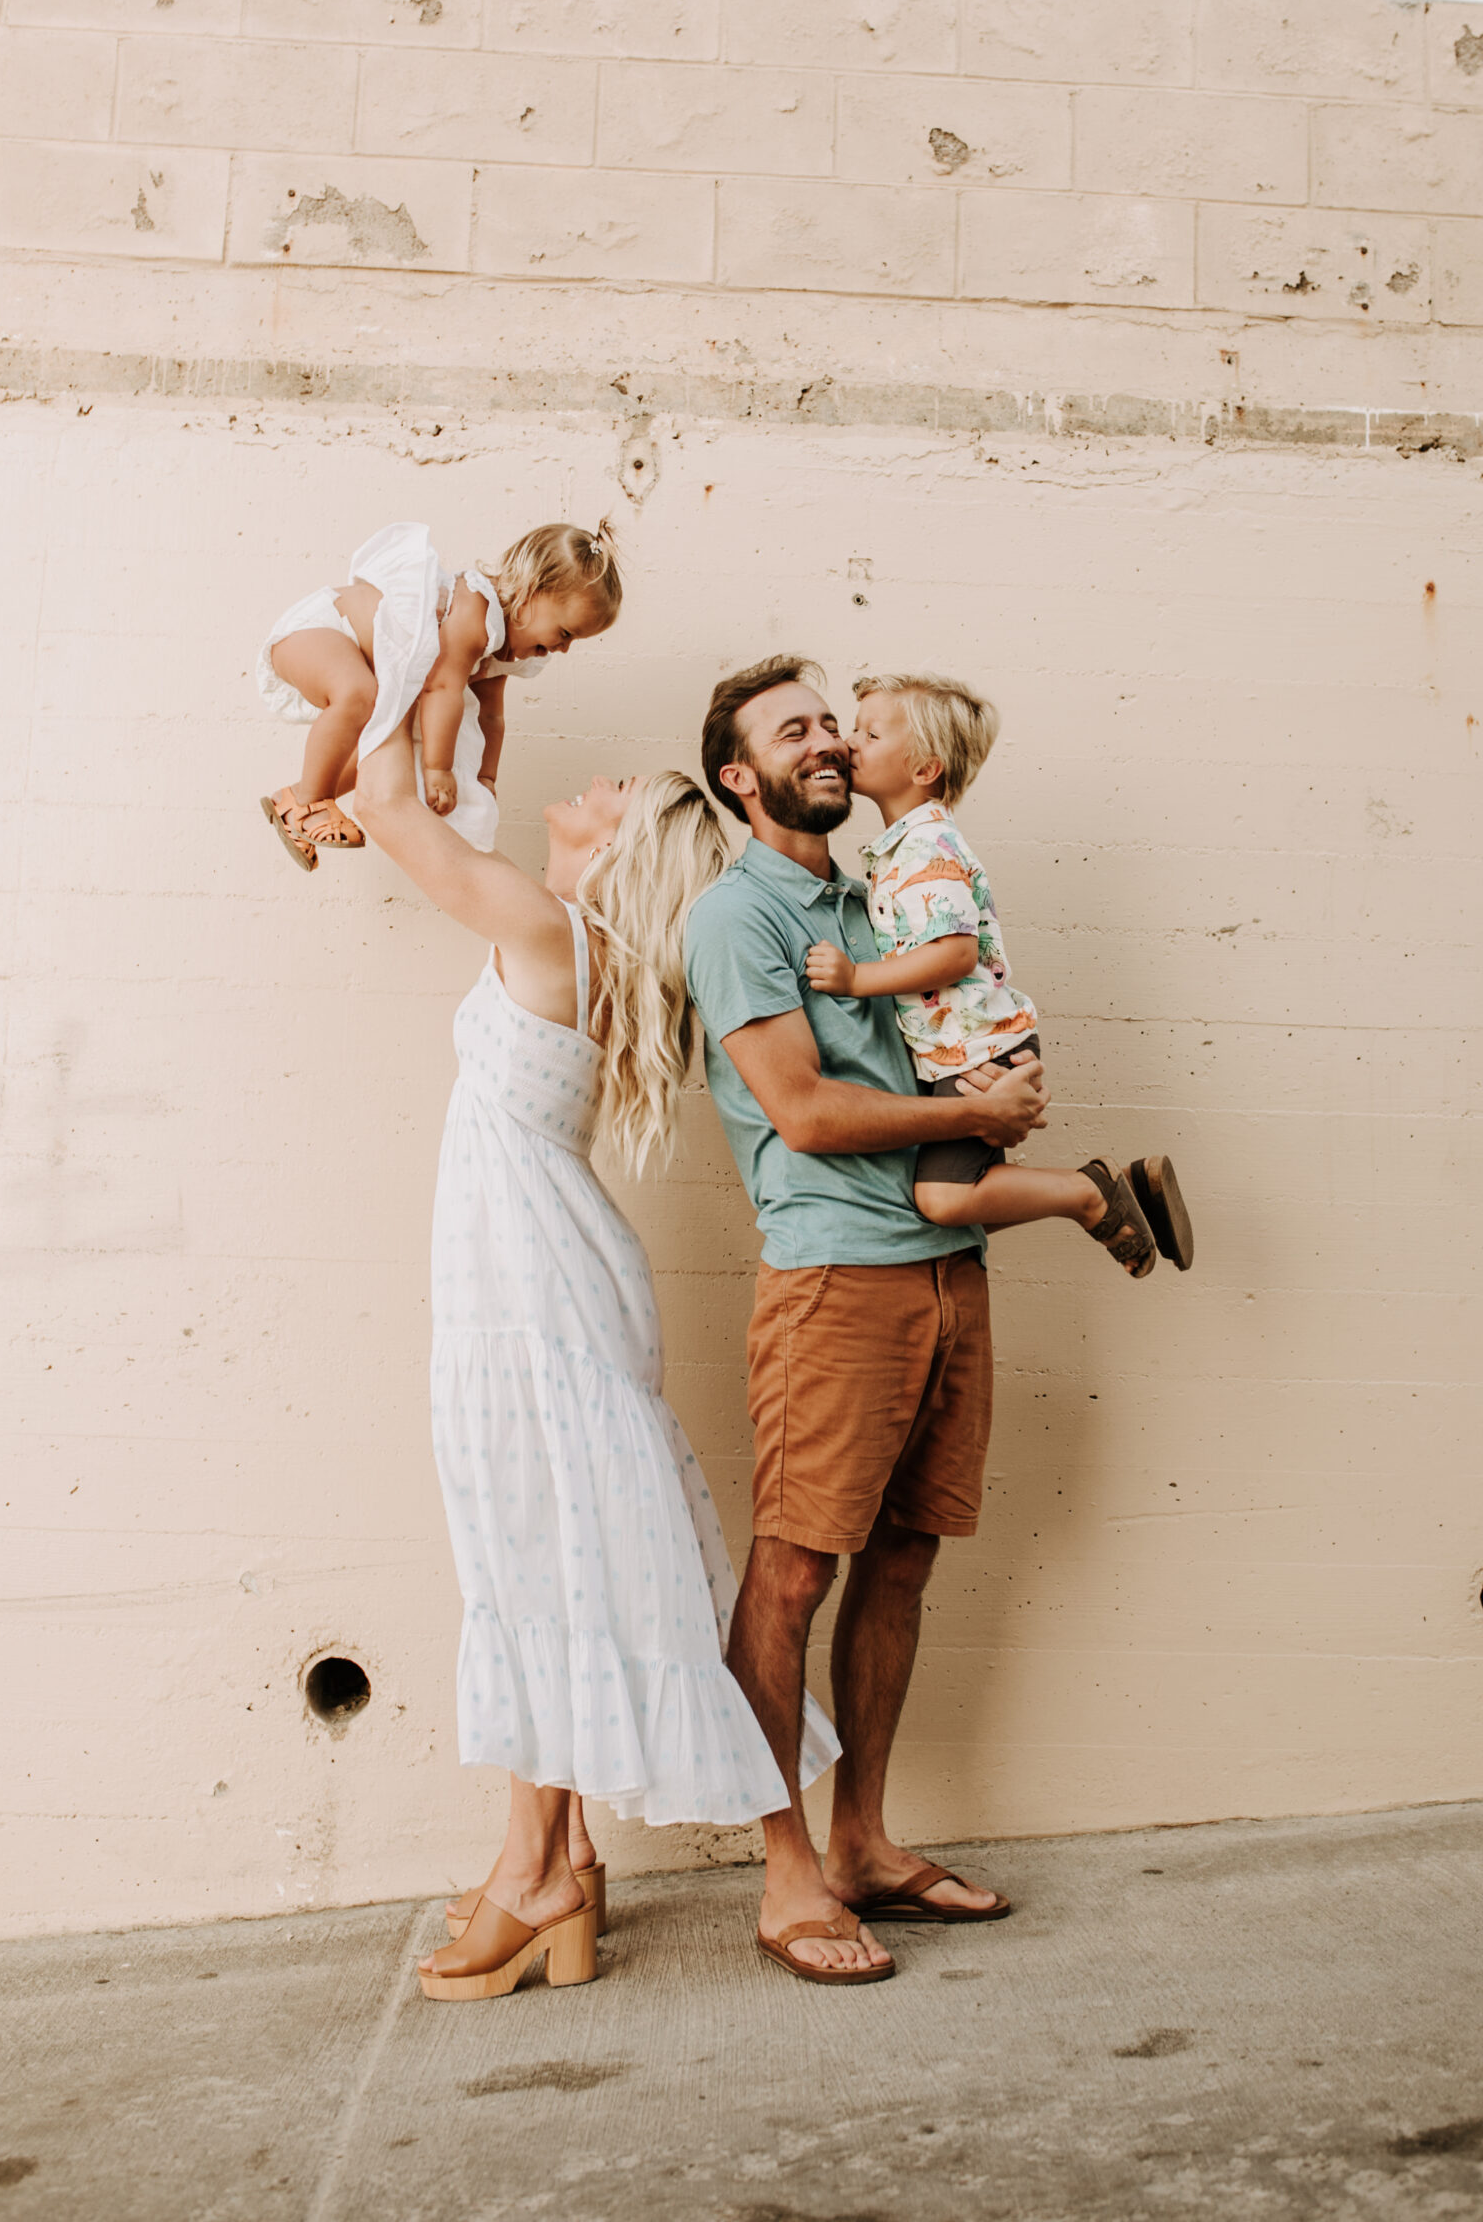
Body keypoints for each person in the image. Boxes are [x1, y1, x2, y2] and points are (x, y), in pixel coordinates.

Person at [352, 715, 835, 2005]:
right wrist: (480, 692)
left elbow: (391, 806)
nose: (601, 780)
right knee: (544, 1560)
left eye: (621, 792)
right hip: (541, 1284)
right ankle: (560, 1855)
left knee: (529, 1567)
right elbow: (446, 803)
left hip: (532, 1294)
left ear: (625, 853)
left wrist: (421, 639)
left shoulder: (550, 933)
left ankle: (535, 1875)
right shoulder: (571, 940)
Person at [682, 656, 1047, 1987]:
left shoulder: (883, 886)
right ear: (740, 775)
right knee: (791, 1572)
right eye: (795, 732)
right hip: (836, 1280)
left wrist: (991, 1082)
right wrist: (975, 1117)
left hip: (948, 1261)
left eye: (835, 722)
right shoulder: (740, 920)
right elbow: (807, 1114)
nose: (829, 743)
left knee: (902, 1560)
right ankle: (784, 1875)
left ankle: (863, 1847)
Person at [805, 671, 1194, 1272]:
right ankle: (1124, 1190)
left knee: (942, 1198)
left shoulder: (926, 846)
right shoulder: (904, 845)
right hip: (963, 1048)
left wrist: (856, 980)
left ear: (924, 768)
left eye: (870, 733)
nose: (850, 742)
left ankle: (1090, 1194)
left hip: (975, 1053)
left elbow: (954, 954)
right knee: (957, 1196)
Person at [258, 518, 622, 868]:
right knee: (360, 693)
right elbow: (441, 687)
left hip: (343, 651)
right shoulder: (474, 608)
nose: (564, 650)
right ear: (531, 594)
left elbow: (491, 716)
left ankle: (292, 799)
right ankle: (312, 801)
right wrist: (438, 769)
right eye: (566, 633)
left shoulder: (497, 651)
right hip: (321, 631)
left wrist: (486, 778)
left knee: (385, 736)